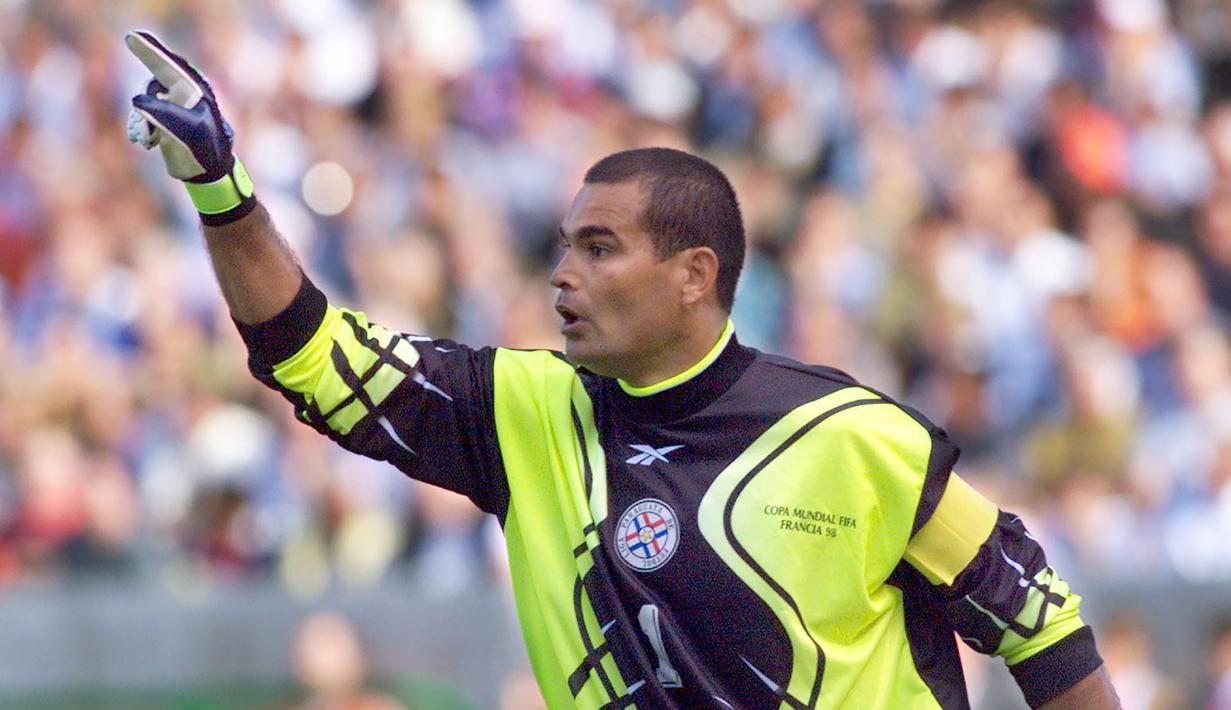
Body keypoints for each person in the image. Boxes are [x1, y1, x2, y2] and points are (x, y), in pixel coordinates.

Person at [125, 30, 1120, 710]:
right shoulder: (520, 409)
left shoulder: (859, 437)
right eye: (562, 245)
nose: (562, 273)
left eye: (600, 248)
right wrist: (223, 191)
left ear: (694, 275)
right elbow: (308, 352)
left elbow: (1043, 625)